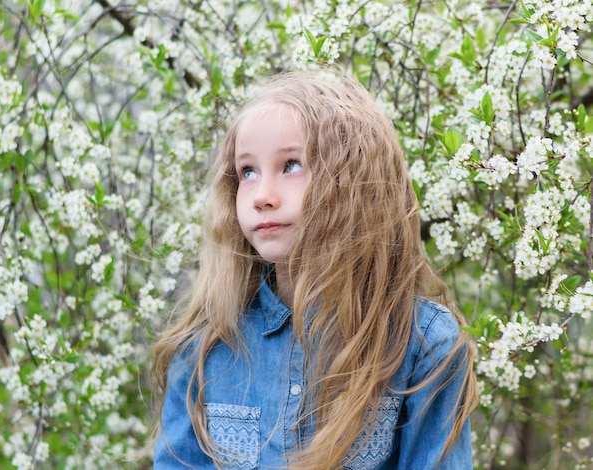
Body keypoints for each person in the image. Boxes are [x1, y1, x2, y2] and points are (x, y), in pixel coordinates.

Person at [151, 68, 478, 469]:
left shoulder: (424, 343)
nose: (262, 197)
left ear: (356, 181)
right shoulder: (208, 340)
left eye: (291, 165)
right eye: (247, 172)